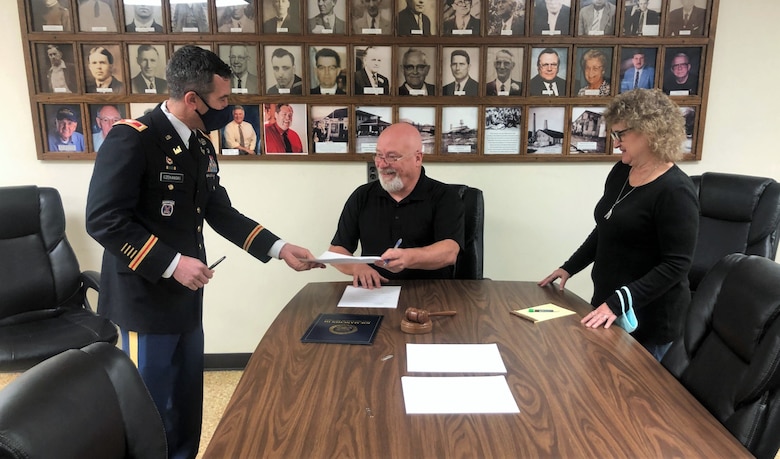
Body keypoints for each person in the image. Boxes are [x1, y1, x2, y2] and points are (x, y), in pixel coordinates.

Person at [85, 45, 323, 459]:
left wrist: (280, 248)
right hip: (144, 300)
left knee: (187, 402)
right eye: (222, 100)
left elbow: (221, 213)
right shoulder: (132, 139)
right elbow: (104, 220)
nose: (227, 107)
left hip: (187, 300)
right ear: (192, 99)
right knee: (149, 409)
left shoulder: (200, 145)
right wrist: (173, 264)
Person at [538, 88, 699, 362]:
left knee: (630, 400)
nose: (615, 143)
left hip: (648, 320)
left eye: (620, 135)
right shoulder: (622, 170)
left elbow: (676, 265)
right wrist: (569, 267)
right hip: (607, 306)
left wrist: (617, 302)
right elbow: (606, 226)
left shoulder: (676, 191)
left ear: (649, 131)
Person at [329, 122, 464, 288]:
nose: (382, 164)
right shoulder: (362, 196)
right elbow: (336, 250)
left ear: (417, 158)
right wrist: (357, 267)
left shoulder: (445, 196)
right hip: (374, 292)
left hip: (430, 294)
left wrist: (408, 258)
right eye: (379, 155)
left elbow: (449, 252)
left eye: (392, 157)